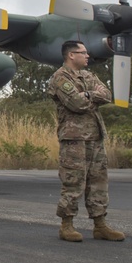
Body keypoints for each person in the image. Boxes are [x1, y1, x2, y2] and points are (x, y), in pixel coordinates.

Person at [47, 40, 125, 243]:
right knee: (73, 181)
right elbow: (76, 103)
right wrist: (92, 95)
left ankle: (100, 225)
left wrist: (88, 94)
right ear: (71, 55)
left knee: (98, 181)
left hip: (95, 137)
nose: (87, 56)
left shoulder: (89, 75)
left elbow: (107, 94)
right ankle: (67, 225)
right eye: (83, 52)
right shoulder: (60, 78)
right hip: (74, 139)